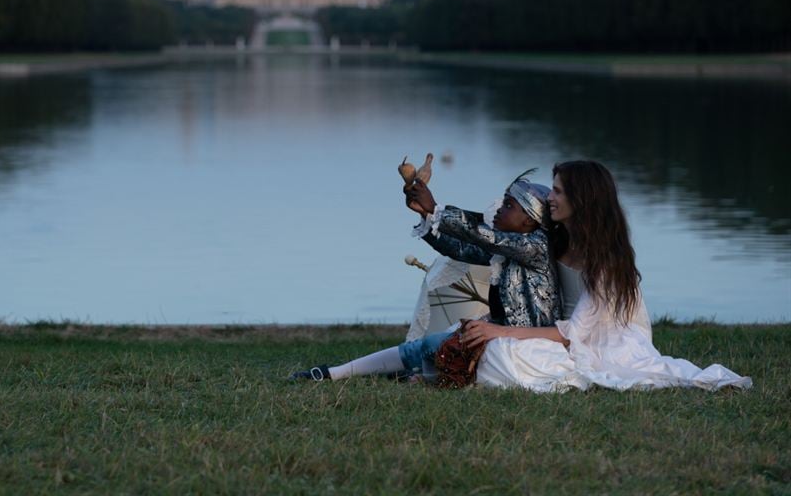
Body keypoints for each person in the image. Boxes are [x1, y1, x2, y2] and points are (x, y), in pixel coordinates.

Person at [463, 160, 750, 392]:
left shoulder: (606, 260)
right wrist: (432, 216)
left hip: (601, 343)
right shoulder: (556, 239)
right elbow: (493, 240)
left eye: (558, 192)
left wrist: (501, 331)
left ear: (582, 199)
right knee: (486, 343)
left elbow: (574, 334)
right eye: (553, 190)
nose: (549, 198)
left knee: (503, 352)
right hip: (559, 332)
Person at [291, 169, 560, 381]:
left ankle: (342, 374)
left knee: (432, 347)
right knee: (424, 348)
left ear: (529, 220)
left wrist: (436, 208)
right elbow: (461, 249)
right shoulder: (509, 249)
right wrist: (427, 218)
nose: (500, 207)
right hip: (504, 336)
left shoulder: (534, 245)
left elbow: (483, 235)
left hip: (528, 345)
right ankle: (333, 374)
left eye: (509, 205)